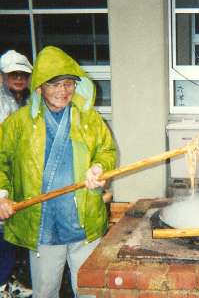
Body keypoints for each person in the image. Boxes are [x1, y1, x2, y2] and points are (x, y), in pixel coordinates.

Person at [0, 46, 116, 297]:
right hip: (44, 226)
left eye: (69, 84)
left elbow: (106, 151)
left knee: (89, 289)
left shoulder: (89, 118)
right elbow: (1, 162)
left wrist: (99, 167)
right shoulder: (17, 124)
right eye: (55, 85)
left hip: (85, 224)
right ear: (40, 87)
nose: (63, 91)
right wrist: (2, 195)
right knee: (45, 291)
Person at [0, 50, 33, 298]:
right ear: (2, 76)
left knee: (11, 231)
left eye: (23, 74)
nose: (19, 78)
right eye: (13, 74)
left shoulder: (28, 101)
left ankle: (7, 281)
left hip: (17, 174)